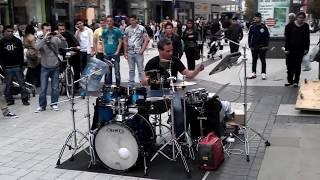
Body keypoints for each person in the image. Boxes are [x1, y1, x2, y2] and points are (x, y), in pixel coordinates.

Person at [142, 38, 204, 138]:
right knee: (142, 108)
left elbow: (188, 74)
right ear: (160, 50)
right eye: (168, 51)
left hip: (171, 91)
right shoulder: (152, 62)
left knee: (179, 109)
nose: (171, 53)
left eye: (172, 50)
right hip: (155, 92)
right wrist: (150, 80)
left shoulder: (175, 60)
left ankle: (179, 137)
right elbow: (145, 80)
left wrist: (197, 70)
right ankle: (147, 135)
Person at [34, 22, 68, 112]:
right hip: (44, 67)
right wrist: (45, 38)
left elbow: (65, 46)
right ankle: (42, 106)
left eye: (50, 30)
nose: (49, 31)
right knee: (43, 88)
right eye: (47, 30)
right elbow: (36, 47)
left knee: (55, 87)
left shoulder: (55, 39)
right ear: (43, 30)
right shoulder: (40, 39)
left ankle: (54, 104)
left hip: (55, 66)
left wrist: (61, 36)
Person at [0, 25, 30, 106]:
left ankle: (25, 99)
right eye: (8, 31)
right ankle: (9, 100)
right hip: (7, 67)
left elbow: (20, 54)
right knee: (8, 85)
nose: (10, 33)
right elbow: (1, 55)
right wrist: (3, 66)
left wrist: (20, 65)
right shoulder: (1, 42)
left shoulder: (17, 41)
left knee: (22, 84)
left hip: (17, 66)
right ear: (4, 32)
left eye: (11, 31)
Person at [284, 12, 310, 87]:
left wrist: (306, 48)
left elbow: (307, 38)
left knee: (297, 66)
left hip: (300, 50)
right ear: (296, 18)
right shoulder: (290, 26)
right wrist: (286, 49)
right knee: (289, 66)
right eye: (299, 17)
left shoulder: (306, 26)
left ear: (304, 19)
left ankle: (296, 81)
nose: (300, 19)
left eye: (302, 18)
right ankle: (290, 81)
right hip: (290, 49)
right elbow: (287, 38)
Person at [123, 15, 149, 87]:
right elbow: (125, 41)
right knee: (131, 69)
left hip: (138, 51)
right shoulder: (127, 29)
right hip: (130, 52)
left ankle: (142, 83)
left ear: (136, 20)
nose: (132, 22)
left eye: (133, 20)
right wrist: (125, 52)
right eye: (130, 20)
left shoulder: (141, 28)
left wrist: (142, 50)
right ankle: (131, 83)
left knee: (141, 69)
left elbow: (146, 40)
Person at [57, 23, 81, 90]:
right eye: (60, 30)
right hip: (65, 55)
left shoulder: (68, 34)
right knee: (65, 70)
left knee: (77, 71)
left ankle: (76, 86)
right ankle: (67, 86)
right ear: (58, 30)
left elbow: (76, 43)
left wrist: (77, 48)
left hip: (74, 53)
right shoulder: (57, 37)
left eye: (63, 29)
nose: (62, 31)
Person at [101, 15, 123, 86]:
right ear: (106, 22)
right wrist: (103, 51)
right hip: (107, 53)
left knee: (117, 71)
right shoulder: (105, 31)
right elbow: (103, 42)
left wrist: (117, 51)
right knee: (108, 71)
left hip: (115, 53)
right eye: (108, 21)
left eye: (111, 21)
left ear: (113, 22)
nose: (109, 22)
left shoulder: (117, 30)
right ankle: (108, 86)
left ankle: (118, 85)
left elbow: (120, 42)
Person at [248, 12, 270, 80]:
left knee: (263, 60)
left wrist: (266, 46)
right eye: (255, 18)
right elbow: (249, 36)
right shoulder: (252, 27)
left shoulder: (264, 27)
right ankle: (253, 73)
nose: (256, 19)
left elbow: (267, 36)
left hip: (262, 46)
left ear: (260, 18)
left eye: (257, 18)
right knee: (254, 60)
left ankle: (263, 73)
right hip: (254, 47)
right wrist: (250, 45)